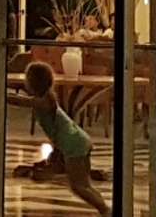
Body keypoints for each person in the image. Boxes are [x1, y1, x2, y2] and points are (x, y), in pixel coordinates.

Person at [13, 60, 109, 215]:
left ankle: (105, 210)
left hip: (73, 145)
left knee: (79, 186)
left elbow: (21, 101)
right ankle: (104, 209)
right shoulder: (48, 98)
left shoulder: (43, 101)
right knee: (85, 185)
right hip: (79, 141)